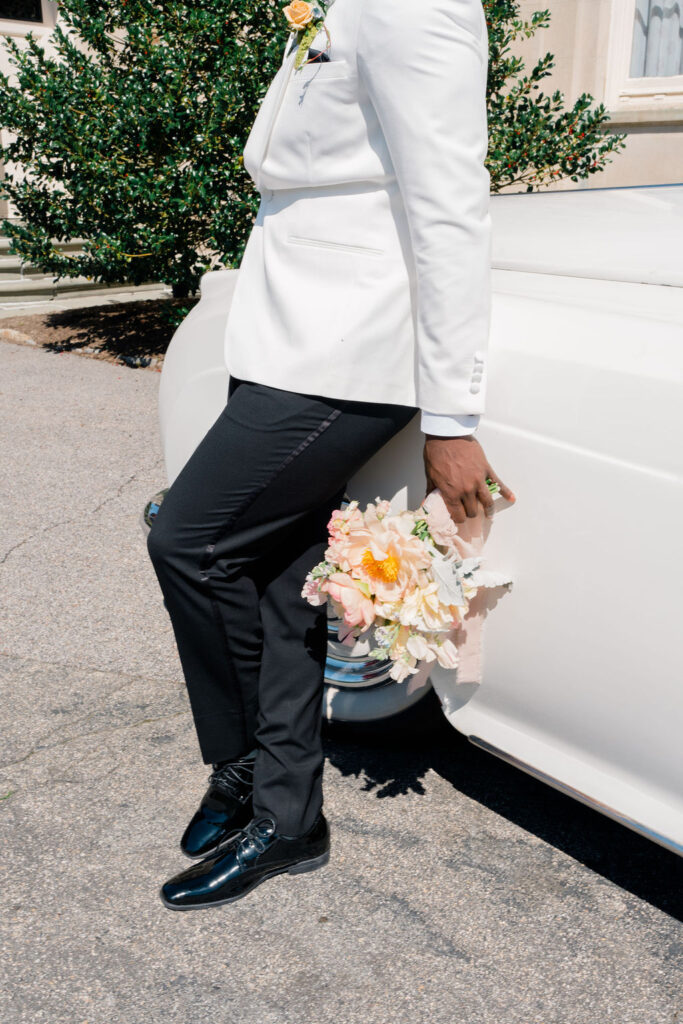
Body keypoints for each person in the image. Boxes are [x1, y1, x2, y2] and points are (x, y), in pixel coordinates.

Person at [147, 0, 514, 911]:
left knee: (191, 541)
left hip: (352, 344)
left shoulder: (412, 6)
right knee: (278, 577)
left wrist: (450, 413)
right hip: (286, 333)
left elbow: (449, 206)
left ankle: (243, 770)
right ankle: (285, 817)